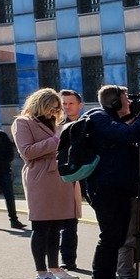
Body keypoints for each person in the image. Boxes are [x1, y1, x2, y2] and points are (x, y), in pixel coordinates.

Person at [83, 85, 140, 279]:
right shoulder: (97, 117)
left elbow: (125, 133)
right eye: (126, 100)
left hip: (118, 188)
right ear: (114, 102)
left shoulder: (111, 121)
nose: (129, 104)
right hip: (105, 189)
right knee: (109, 237)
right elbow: (126, 135)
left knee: (115, 237)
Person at [12, 89, 80, 279]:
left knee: (55, 227)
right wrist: (57, 141)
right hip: (40, 178)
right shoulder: (22, 122)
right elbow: (27, 151)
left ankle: (55, 268)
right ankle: (41, 273)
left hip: (59, 176)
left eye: (57, 108)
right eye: (52, 107)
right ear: (40, 103)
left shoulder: (55, 123)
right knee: (41, 226)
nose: (55, 111)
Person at [58, 90, 85, 269]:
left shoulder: (88, 123)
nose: (67, 107)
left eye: (71, 103)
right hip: (68, 178)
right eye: (64, 104)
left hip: (90, 175)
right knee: (69, 221)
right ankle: (68, 260)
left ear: (80, 105)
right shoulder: (57, 126)